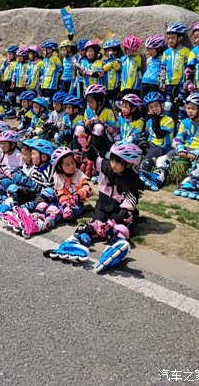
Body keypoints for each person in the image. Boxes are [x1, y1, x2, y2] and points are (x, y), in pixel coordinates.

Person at [44, 142, 143, 272]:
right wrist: (85, 145)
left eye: (117, 162)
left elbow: (126, 208)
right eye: (112, 159)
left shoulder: (133, 182)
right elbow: (94, 157)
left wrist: (111, 223)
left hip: (119, 212)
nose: (113, 164)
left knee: (122, 229)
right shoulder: (106, 166)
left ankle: (114, 246)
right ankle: (74, 240)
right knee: (92, 225)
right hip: (102, 207)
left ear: (128, 164)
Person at [138, 92, 175, 191]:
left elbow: (159, 134)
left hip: (162, 148)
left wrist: (154, 119)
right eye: (151, 107)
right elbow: (146, 134)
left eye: (156, 106)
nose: (154, 109)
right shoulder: (149, 121)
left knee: (154, 151)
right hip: (150, 145)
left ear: (162, 106)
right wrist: (142, 141)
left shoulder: (168, 120)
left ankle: (142, 171)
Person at [159, 22, 190, 121]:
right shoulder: (166, 52)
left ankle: (182, 126)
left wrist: (187, 81)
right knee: (167, 105)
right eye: (168, 38)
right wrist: (162, 82)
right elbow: (163, 69)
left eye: (172, 38)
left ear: (180, 38)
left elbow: (188, 69)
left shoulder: (186, 51)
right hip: (168, 84)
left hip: (181, 84)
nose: (170, 40)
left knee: (181, 105)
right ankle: (168, 126)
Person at [51, 147, 92, 219]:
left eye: (72, 162)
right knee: (51, 199)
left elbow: (87, 188)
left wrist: (78, 195)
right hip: (63, 202)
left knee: (77, 209)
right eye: (67, 164)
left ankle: (54, 216)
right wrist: (65, 205)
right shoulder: (58, 177)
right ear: (59, 167)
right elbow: (60, 193)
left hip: (76, 203)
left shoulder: (78, 174)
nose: (72, 166)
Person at [83, 84, 117, 157]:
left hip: (103, 140)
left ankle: (96, 154)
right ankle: (78, 152)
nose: (88, 104)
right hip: (90, 137)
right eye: (87, 101)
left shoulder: (108, 111)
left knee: (98, 127)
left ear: (99, 101)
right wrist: (89, 123)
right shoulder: (87, 111)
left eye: (91, 101)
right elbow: (85, 125)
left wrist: (103, 124)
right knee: (79, 129)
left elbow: (113, 131)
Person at [101, 39, 122, 107]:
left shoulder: (118, 60)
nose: (108, 53)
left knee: (117, 103)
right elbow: (103, 68)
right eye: (107, 51)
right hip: (107, 86)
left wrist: (113, 60)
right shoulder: (105, 61)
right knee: (108, 102)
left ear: (115, 51)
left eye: (109, 51)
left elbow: (118, 68)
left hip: (117, 86)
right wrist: (111, 64)